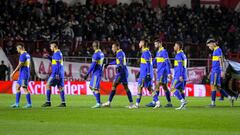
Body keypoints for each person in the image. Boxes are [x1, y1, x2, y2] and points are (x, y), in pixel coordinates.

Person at [102, 42, 134, 108]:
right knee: (126, 88)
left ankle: (108, 102)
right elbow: (117, 61)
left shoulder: (119, 53)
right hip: (124, 72)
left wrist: (119, 66)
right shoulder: (121, 53)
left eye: (113, 47)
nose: (112, 49)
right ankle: (131, 103)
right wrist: (109, 63)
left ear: (117, 47)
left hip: (121, 72)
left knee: (114, 85)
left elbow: (121, 61)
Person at [146, 40, 173, 108]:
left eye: (156, 44)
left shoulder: (164, 51)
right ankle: (169, 103)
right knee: (165, 87)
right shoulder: (158, 52)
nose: (155, 45)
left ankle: (155, 102)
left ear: (160, 43)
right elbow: (155, 61)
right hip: (160, 72)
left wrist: (169, 73)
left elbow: (167, 62)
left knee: (156, 86)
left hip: (163, 72)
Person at [206, 38, 232, 107]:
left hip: (216, 71)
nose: (209, 47)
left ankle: (212, 103)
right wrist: (210, 72)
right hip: (214, 71)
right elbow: (214, 63)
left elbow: (221, 61)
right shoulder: (215, 50)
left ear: (213, 43)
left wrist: (222, 71)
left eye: (209, 46)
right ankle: (230, 97)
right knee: (217, 87)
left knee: (213, 86)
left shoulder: (217, 50)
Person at [41, 41, 66, 107]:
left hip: (55, 73)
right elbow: (55, 61)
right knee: (60, 87)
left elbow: (58, 64)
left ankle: (48, 102)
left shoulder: (57, 53)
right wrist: (49, 57)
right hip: (60, 73)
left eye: (51, 46)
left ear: (54, 46)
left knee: (47, 85)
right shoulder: (58, 53)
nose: (50, 47)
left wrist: (57, 74)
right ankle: (63, 103)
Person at [133, 40, 154, 108]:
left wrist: (147, 73)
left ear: (142, 44)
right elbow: (145, 64)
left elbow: (148, 64)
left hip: (144, 74)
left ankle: (137, 104)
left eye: (140, 42)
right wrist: (140, 72)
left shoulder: (145, 52)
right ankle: (157, 102)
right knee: (149, 88)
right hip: (144, 73)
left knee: (139, 87)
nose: (139, 43)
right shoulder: (146, 52)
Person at [83, 41, 104, 108]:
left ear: (94, 46)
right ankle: (99, 101)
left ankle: (98, 103)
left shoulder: (96, 54)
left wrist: (87, 74)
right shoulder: (101, 53)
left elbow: (93, 65)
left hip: (96, 73)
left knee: (95, 88)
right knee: (91, 87)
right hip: (98, 72)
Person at [10, 43, 32, 108]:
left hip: (24, 74)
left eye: (17, 49)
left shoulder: (22, 55)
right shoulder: (27, 54)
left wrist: (13, 72)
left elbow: (20, 65)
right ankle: (17, 104)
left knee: (24, 88)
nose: (17, 50)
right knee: (17, 87)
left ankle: (29, 104)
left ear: (20, 48)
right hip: (23, 73)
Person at [170, 41, 187, 110]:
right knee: (181, 90)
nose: (174, 47)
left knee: (172, 88)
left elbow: (180, 66)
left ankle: (182, 101)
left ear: (178, 47)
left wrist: (180, 75)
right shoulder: (183, 54)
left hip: (178, 76)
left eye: (175, 45)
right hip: (184, 75)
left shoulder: (178, 55)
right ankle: (183, 106)